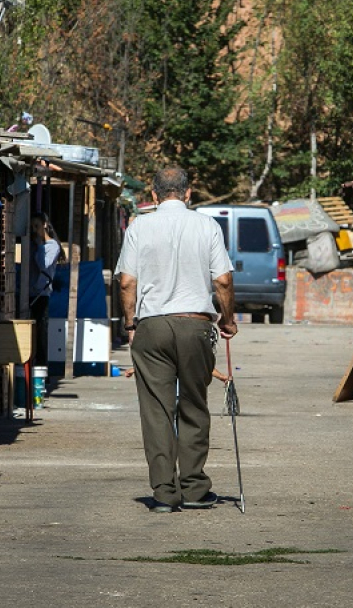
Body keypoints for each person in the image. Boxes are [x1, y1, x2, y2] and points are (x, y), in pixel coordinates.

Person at [116, 166, 237, 513]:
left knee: (156, 411)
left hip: (152, 326)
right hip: (195, 324)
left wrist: (130, 324)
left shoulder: (139, 226)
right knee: (194, 406)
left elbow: (127, 282)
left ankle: (165, 494)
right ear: (188, 193)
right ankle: (195, 489)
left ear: (153, 195)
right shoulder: (207, 225)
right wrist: (227, 320)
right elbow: (224, 281)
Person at [29, 213, 64, 375]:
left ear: (44, 225)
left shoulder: (52, 246)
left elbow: (43, 263)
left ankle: (42, 370)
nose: (34, 230)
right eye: (32, 227)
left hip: (41, 294)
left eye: (37, 226)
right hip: (30, 293)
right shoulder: (34, 245)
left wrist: (39, 244)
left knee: (41, 333)